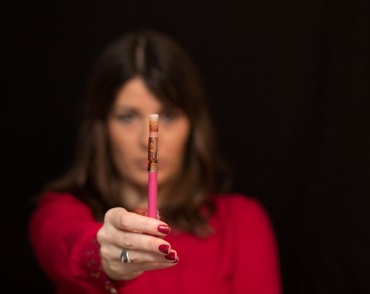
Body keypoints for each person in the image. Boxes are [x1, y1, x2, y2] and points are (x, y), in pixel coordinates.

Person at [29, 29, 282, 294]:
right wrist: (106, 254)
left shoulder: (240, 221)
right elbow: (69, 248)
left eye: (169, 116)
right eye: (127, 117)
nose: (147, 140)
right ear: (102, 127)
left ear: (193, 125)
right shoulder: (58, 211)